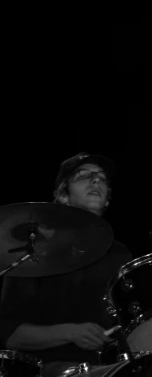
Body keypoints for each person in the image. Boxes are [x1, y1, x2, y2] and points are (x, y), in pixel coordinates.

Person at [0, 152, 132, 376]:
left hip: (115, 365)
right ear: (62, 195)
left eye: (102, 178)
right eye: (84, 176)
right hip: (53, 368)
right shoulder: (37, 250)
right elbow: (10, 334)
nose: (96, 180)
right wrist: (69, 332)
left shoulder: (119, 253)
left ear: (108, 198)